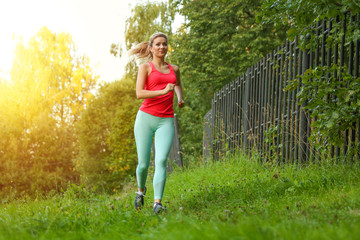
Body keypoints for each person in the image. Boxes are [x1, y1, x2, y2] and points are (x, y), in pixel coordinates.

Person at [130, 32, 184, 214]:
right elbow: (139, 93)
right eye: (158, 44)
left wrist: (180, 98)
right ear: (151, 48)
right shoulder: (145, 68)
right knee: (144, 164)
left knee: (161, 160)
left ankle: (157, 203)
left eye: (164, 44)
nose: (162, 47)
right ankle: (140, 190)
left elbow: (177, 83)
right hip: (145, 118)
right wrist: (162, 91)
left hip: (166, 120)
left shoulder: (174, 69)